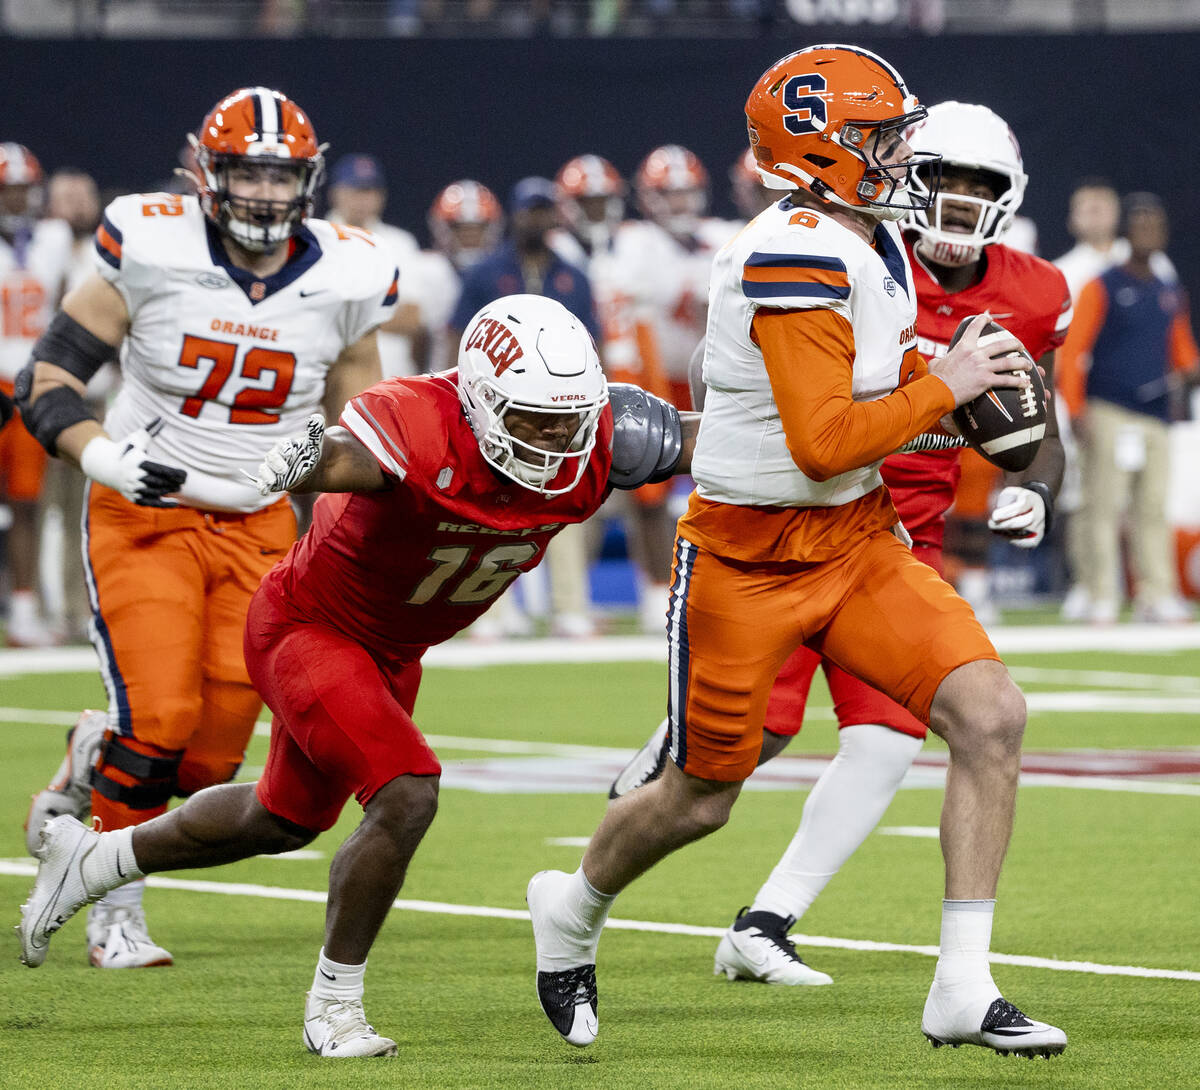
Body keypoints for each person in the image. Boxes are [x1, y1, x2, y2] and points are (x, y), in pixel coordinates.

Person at [526, 45, 1067, 1058]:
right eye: (881, 136)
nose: (902, 152)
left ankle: (962, 982)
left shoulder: (874, 239)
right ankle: (574, 907)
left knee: (990, 715)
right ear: (823, 149)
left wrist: (958, 395)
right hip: (748, 556)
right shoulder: (793, 251)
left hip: (860, 540)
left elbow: (874, 382)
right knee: (701, 796)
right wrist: (946, 384)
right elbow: (822, 438)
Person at [18, 292, 701, 1058]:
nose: (556, 438)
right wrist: (304, 460)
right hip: (311, 630)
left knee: (282, 820)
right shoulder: (417, 421)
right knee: (408, 794)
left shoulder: (608, 433)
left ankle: (96, 857)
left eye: (569, 418)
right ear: (478, 399)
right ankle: (333, 1007)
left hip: (392, 651)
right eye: (533, 418)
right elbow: (348, 454)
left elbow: (721, 447)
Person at [17, 85, 392, 970]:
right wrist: (106, 458)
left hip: (259, 521)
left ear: (308, 179)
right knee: (161, 718)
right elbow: (48, 378)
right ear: (206, 174)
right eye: (247, 173)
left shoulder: (349, 272)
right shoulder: (148, 243)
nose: (263, 192)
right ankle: (114, 907)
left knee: (215, 753)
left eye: (279, 175)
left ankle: (88, 759)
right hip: (144, 512)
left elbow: (367, 424)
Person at [450, 177, 601, 638]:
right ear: (515, 216)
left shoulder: (572, 274)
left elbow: (593, 343)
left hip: (561, 407)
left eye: (544, 211)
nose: (537, 220)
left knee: (565, 494)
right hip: (495, 406)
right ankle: (489, 610)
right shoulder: (486, 272)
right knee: (486, 502)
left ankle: (570, 606)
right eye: (529, 211)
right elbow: (457, 336)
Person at [603, 145, 733, 631]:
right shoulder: (636, 242)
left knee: (728, 482)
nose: (680, 204)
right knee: (646, 483)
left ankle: (718, 584)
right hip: (653, 379)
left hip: (714, 379)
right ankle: (655, 590)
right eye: (668, 194)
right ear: (649, 199)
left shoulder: (722, 236)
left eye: (686, 193)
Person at [1057, 193, 1199, 624]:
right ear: (1128, 233)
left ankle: (1156, 593)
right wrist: (1076, 409)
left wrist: (1191, 370)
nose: (1148, 233)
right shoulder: (1103, 285)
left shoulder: (1169, 291)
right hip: (1110, 408)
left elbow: (1181, 352)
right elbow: (1074, 350)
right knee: (1102, 506)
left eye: (1155, 226)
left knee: (1153, 508)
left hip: (1155, 413)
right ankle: (1100, 592)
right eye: (1140, 226)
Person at [0, 142, 73, 647]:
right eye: (9, 191)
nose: (19, 200)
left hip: (30, 382)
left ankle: (23, 609)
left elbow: (69, 307)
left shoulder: (54, 238)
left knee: (27, 502)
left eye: (25, 190)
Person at [325, 153, 426, 378]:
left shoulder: (400, 242)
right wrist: (384, 312)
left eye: (370, 191)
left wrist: (343, 313)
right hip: (330, 377)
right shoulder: (317, 238)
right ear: (335, 193)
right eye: (355, 189)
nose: (362, 199)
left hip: (394, 379)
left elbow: (411, 318)